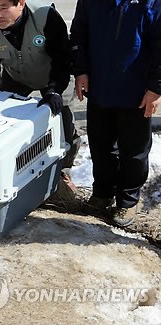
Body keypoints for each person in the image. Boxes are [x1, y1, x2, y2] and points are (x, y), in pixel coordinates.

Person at [70, 0, 161, 227]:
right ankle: (102, 193)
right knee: (101, 146)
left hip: (137, 94)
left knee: (134, 150)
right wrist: (80, 71)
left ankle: (127, 201)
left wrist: (156, 88)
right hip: (99, 89)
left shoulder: (152, 3)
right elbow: (79, 33)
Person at [0, 0, 80, 171]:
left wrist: (55, 90)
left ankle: (64, 169)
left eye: (4, 7)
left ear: (21, 4)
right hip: (16, 77)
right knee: (1, 120)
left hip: (52, 75)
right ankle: (11, 163)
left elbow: (62, 58)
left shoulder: (45, 16)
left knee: (64, 122)